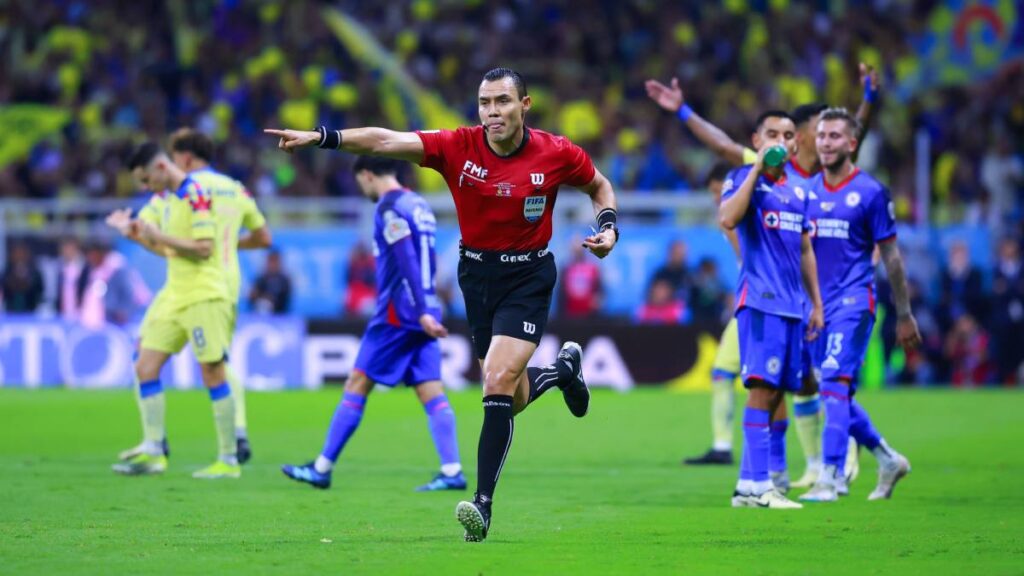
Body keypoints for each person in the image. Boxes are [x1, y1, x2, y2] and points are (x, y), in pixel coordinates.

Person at [266, 67, 618, 542]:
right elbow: (385, 142)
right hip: (476, 277)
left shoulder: (556, 153)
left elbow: (599, 185)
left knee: (495, 380)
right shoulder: (458, 146)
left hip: (529, 276)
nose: (492, 112)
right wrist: (322, 137)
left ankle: (483, 506)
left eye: (502, 102)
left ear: (525, 106)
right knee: (507, 398)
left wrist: (610, 226)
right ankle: (562, 373)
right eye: (485, 103)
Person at [646, 65, 881, 489]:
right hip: (764, 290)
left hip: (813, 292)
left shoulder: (816, 175)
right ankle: (771, 470)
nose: (816, 137)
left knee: (813, 381)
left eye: (797, 133)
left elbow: (854, 136)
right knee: (761, 380)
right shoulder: (764, 167)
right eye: (816, 130)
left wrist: (868, 99)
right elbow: (722, 145)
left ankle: (825, 459)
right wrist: (683, 112)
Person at [281, 156, 465, 492]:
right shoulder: (419, 203)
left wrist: (420, 308)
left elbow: (406, 256)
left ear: (367, 175)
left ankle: (322, 468)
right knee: (429, 388)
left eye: (360, 182)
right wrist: (429, 303)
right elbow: (428, 257)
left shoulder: (390, 208)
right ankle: (452, 470)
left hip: (399, 313)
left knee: (357, 382)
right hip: (424, 306)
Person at [798, 108, 921, 503]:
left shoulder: (870, 192)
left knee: (833, 383)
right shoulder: (807, 191)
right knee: (837, 395)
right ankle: (887, 459)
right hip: (817, 307)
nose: (826, 143)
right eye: (822, 136)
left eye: (835, 136)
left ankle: (831, 478)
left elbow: (892, 258)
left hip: (855, 301)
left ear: (853, 144)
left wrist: (903, 313)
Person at [105, 142, 239, 480]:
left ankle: (228, 458)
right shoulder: (162, 198)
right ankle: (153, 451)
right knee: (145, 365)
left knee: (212, 372)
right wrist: (133, 233)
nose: (145, 187)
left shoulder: (196, 194)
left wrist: (159, 235)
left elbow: (204, 248)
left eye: (146, 179)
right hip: (174, 293)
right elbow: (166, 250)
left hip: (204, 293)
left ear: (162, 168)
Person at [718, 110, 824, 509]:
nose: (781, 139)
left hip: (793, 306)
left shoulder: (801, 190)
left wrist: (816, 303)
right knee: (762, 388)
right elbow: (727, 217)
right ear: (757, 139)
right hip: (760, 302)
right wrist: (756, 168)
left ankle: (748, 485)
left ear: (797, 143)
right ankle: (760, 485)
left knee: (778, 390)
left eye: (787, 134)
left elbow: (804, 248)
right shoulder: (742, 178)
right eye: (772, 134)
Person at [683, 163, 742, 466]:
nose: (717, 199)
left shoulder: (738, 218)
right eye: (714, 194)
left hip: (769, 305)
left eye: (720, 192)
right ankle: (722, 446)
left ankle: (835, 454)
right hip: (749, 305)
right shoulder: (730, 219)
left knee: (800, 383)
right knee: (722, 371)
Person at [559, 240, 604, 319]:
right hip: (570, 313)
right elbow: (561, 293)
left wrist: (597, 299)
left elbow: (600, 290)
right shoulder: (567, 268)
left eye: (579, 249)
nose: (577, 252)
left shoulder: (592, 268)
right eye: (575, 249)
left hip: (589, 314)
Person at [1, 242, 44, 313]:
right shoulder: (7, 271)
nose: (19, 256)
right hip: (10, 312)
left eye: (22, 253)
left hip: (30, 311)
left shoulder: (35, 272)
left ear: (27, 255)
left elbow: (40, 290)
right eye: (17, 253)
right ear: (12, 255)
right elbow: (4, 290)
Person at [249, 249, 292, 314]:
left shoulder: (284, 280)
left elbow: (285, 300)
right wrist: (262, 297)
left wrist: (272, 300)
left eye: (275, 261)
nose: (272, 264)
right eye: (270, 261)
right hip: (260, 315)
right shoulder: (261, 278)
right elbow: (252, 296)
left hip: (279, 316)